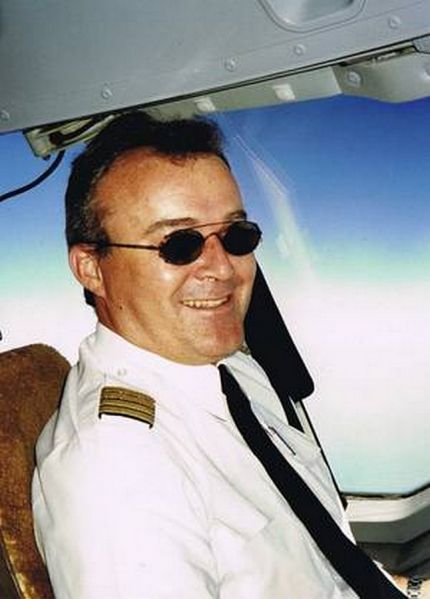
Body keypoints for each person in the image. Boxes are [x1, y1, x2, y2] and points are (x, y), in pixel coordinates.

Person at [32, 112, 420, 598]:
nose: (223, 268)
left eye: (237, 237)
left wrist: (415, 589)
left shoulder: (233, 371)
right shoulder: (114, 468)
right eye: (179, 244)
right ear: (91, 268)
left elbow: (322, 563)